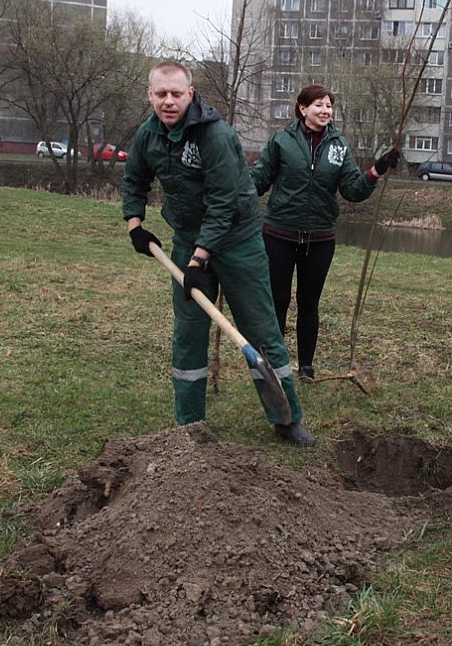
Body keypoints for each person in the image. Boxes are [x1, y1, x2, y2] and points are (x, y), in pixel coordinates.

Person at [122, 60, 316, 446]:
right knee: (189, 333)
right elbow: (135, 179)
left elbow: (224, 203)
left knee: (261, 330)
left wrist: (199, 260)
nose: (169, 101)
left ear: (190, 94)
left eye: (177, 93)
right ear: (150, 96)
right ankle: (190, 424)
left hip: (236, 241)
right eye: (161, 94)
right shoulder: (148, 136)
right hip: (187, 239)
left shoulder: (216, 136)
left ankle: (287, 418)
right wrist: (136, 225)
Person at [251, 84, 399, 382]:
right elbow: (258, 181)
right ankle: (276, 366)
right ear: (303, 108)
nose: (325, 110)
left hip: (319, 238)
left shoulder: (338, 146)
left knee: (309, 303)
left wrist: (376, 170)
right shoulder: (282, 140)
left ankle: (306, 368)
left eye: (329, 105)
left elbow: (353, 190)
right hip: (279, 233)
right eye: (319, 105)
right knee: (277, 301)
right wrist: (231, 190)